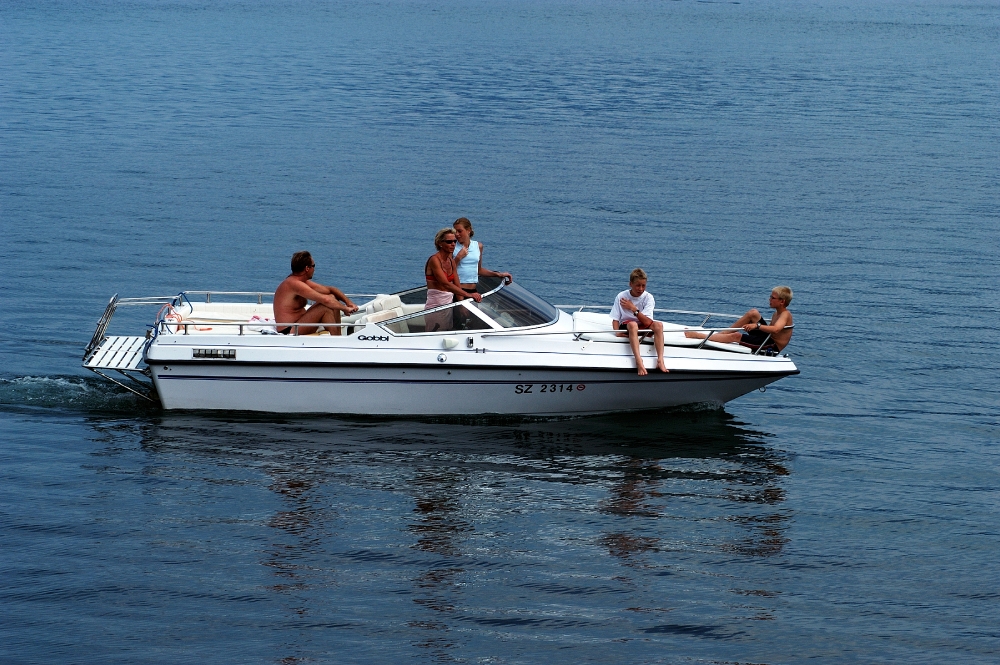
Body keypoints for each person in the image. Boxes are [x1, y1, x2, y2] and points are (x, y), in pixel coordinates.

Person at [684, 286, 793, 353]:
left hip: (772, 346)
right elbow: (770, 330)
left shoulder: (785, 315)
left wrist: (756, 326)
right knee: (753, 313)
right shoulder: (776, 313)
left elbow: (776, 330)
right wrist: (753, 326)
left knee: (736, 336)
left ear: (782, 301)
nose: (769, 299)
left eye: (772, 298)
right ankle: (722, 334)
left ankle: (699, 335)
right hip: (767, 339)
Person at [273, 251, 358, 335]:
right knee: (324, 305)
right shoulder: (293, 284)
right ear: (307, 268)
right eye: (313, 266)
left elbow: (331, 290)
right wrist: (345, 309)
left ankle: (338, 337)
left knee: (332, 297)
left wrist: (349, 303)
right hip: (289, 330)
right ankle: (336, 340)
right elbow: (325, 300)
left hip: (299, 323)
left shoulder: (301, 282)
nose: (314, 269)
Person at [611, 268, 668, 376]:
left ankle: (660, 360)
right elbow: (615, 318)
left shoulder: (648, 297)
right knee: (633, 325)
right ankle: (639, 361)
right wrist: (617, 332)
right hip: (628, 325)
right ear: (630, 284)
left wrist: (633, 309)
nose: (641, 289)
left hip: (642, 324)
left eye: (643, 286)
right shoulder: (621, 296)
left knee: (658, 325)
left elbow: (647, 322)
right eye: (638, 285)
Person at [425, 228, 482, 332]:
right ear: (440, 243)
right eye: (449, 242)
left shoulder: (451, 260)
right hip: (436, 305)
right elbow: (445, 284)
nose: (453, 244)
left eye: (455, 241)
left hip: (449, 303)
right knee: (436, 334)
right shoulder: (434, 260)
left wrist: (461, 304)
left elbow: (456, 282)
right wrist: (468, 295)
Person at [452, 217, 513, 296]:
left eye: (459, 231)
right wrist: (458, 257)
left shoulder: (478, 246)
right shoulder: (452, 247)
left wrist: (498, 274)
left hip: (473, 290)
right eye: (455, 231)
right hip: (458, 289)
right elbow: (447, 270)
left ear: (468, 230)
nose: (457, 234)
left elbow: (479, 270)